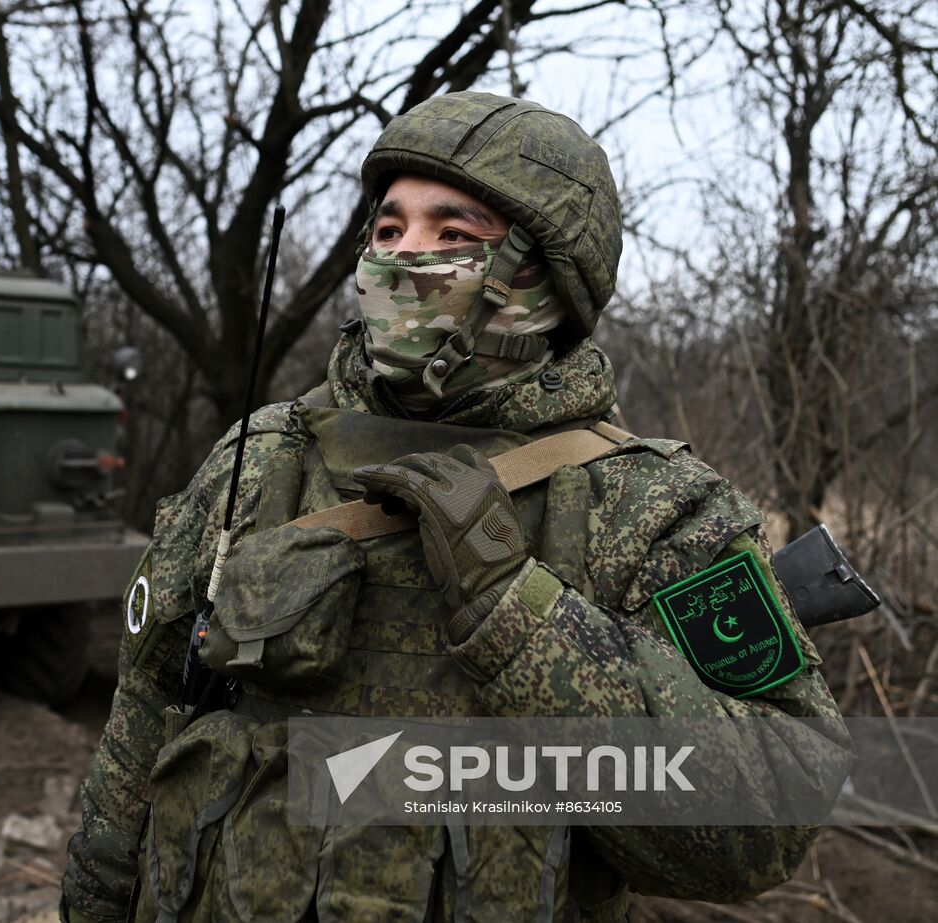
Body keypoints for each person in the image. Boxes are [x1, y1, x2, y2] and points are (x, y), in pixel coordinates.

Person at [61, 91, 847, 922]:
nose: (405, 257)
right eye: (389, 229)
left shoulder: (652, 504)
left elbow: (768, 815)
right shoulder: (262, 456)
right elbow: (140, 726)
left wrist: (518, 612)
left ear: (545, 278)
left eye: (455, 236)